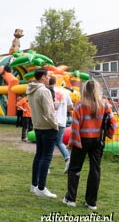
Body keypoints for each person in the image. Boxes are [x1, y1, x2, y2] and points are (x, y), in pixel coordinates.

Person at [63, 80, 117, 210]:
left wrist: (73, 142)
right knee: (95, 169)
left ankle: (71, 199)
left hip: (82, 139)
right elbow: (113, 123)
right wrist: (109, 134)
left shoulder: (80, 105)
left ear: (85, 90)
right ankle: (91, 202)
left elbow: (75, 125)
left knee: (74, 169)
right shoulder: (105, 104)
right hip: (98, 140)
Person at [27, 68, 58, 198]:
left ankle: (34, 185)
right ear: (43, 77)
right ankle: (41, 187)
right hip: (47, 127)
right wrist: (55, 125)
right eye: (48, 75)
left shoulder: (31, 90)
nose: (49, 77)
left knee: (39, 155)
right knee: (46, 157)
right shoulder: (44, 91)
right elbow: (49, 112)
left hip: (38, 126)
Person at [51, 77, 73, 173]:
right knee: (59, 142)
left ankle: (47, 165)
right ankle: (68, 159)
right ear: (56, 82)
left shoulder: (47, 91)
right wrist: (63, 110)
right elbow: (71, 106)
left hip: (51, 121)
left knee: (49, 143)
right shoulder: (64, 92)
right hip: (62, 121)